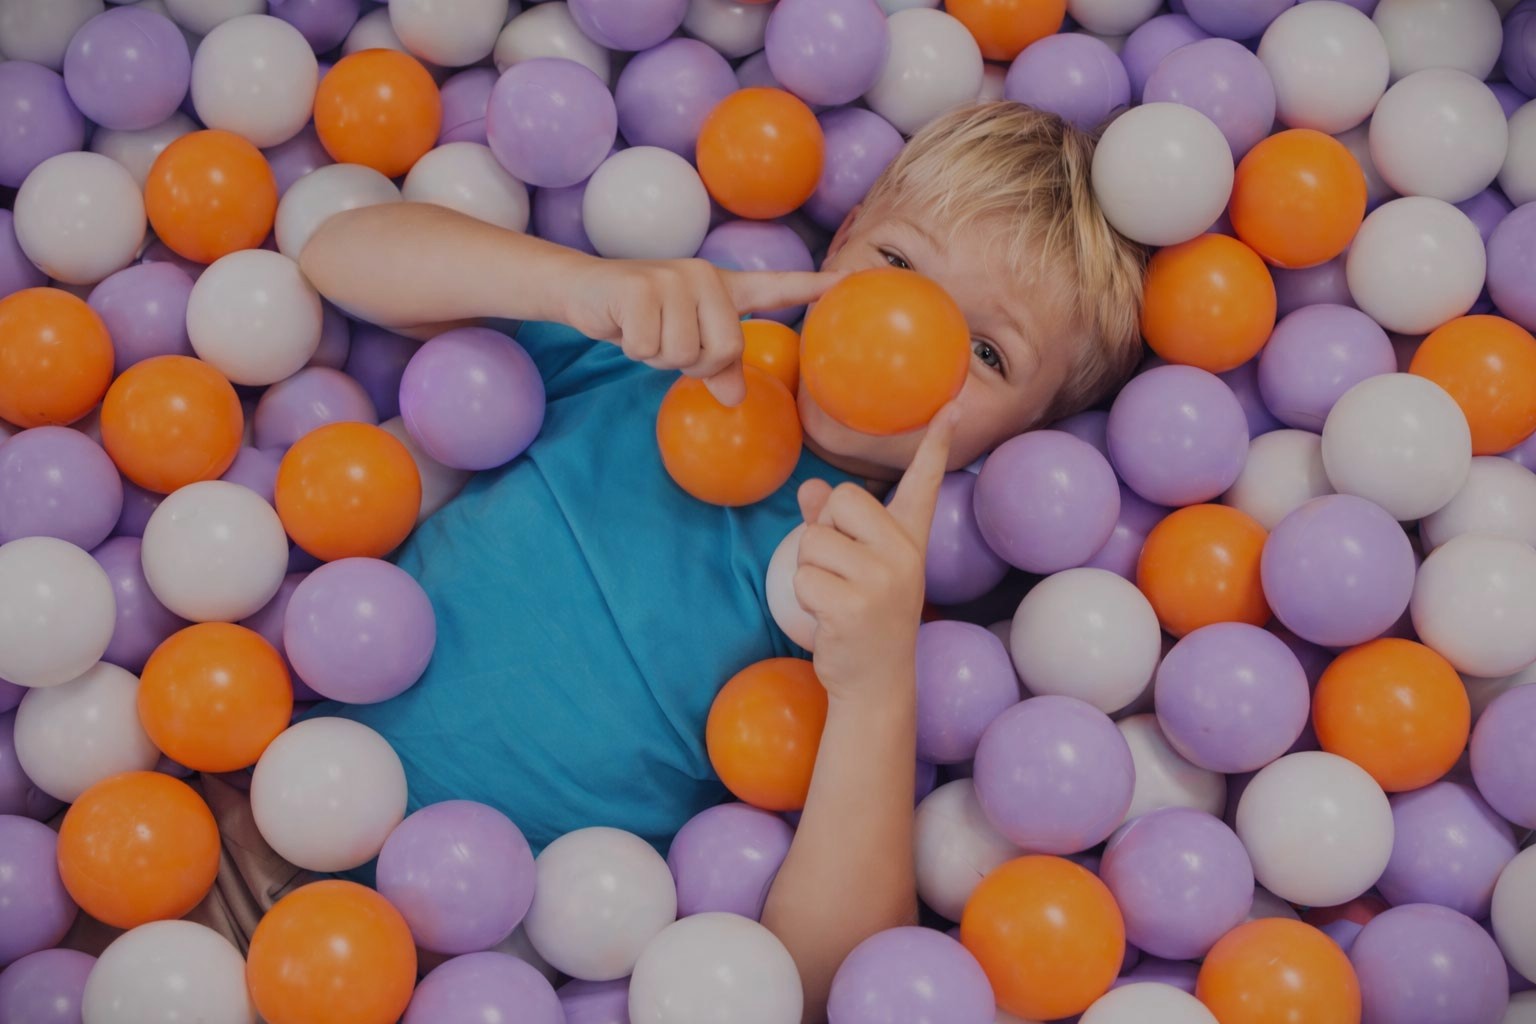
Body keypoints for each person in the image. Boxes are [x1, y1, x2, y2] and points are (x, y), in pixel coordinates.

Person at [289, 101, 1143, 1016]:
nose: (904, 331)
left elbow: (831, 985)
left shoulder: (879, 599)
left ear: (1025, 438)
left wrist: (878, 682)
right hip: (275, 790)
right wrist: (573, 285)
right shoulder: (659, 353)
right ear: (843, 238)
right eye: (895, 265)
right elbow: (336, 255)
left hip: (473, 973)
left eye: (985, 351)